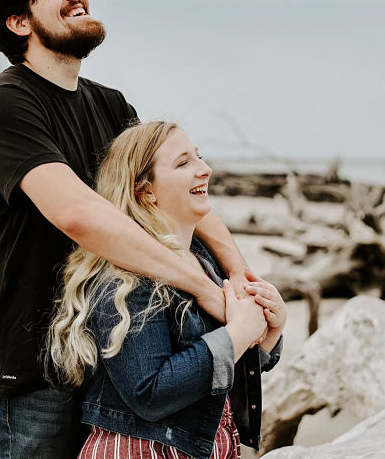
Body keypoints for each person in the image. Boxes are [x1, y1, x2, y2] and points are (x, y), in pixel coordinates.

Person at [0, 0, 258, 458]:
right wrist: (201, 287)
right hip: (33, 368)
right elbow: (78, 214)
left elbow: (172, 192)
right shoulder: (4, 101)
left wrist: (238, 277)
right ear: (19, 23)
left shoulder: (111, 104)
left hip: (111, 354)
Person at [49, 121, 286, 458]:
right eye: (184, 163)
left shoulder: (208, 265)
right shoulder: (127, 279)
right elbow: (149, 392)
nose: (205, 170)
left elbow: (221, 371)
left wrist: (269, 332)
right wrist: (237, 333)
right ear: (146, 191)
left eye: (200, 158)